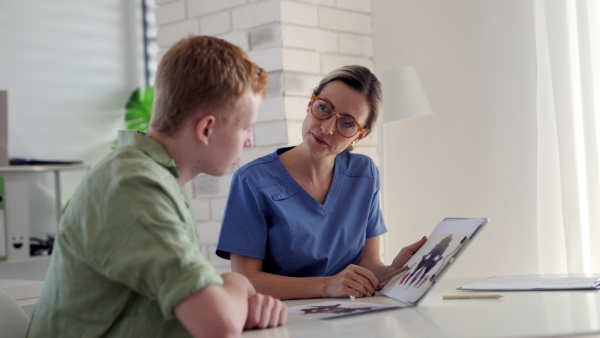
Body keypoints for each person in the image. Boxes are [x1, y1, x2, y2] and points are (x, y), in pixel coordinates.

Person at [27, 36, 287, 337]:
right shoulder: (134, 186)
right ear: (206, 128)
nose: (249, 141)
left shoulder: (153, 178)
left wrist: (230, 300)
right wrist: (238, 284)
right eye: (246, 127)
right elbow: (218, 323)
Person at [216, 65, 427, 300]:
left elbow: (367, 264)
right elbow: (247, 282)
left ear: (360, 135)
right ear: (310, 103)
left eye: (347, 123)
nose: (326, 128)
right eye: (324, 108)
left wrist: (393, 270)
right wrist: (327, 286)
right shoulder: (252, 181)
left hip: (351, 316)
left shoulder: (364, 174)